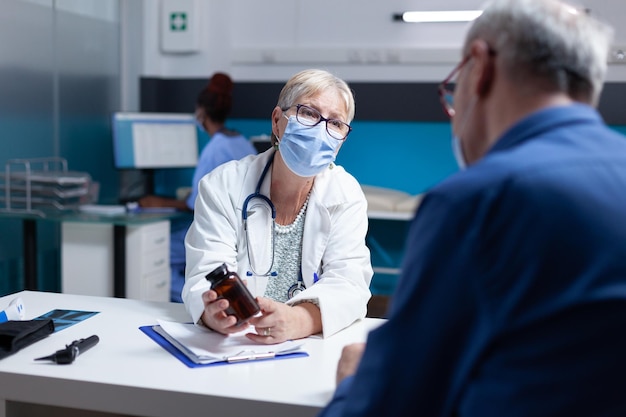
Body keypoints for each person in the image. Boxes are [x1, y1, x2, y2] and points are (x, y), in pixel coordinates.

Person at [320, 1, 626, 416]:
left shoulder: (478, 201)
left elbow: (394, 403)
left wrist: (353, 386)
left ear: (479, 66)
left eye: (454, 85)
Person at [182, 69, 372, 343]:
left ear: (343, 139)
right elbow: (206, 272)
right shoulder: (223, 184)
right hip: (235, 345)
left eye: (336, 124)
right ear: (276, 121)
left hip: (309, 348)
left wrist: (300, 320)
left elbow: (350, 283)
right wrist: (213, 314)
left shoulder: (346, 194)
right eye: (308, 113)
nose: (321, 130)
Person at [139, 72, 257, 302]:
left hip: (220, 228)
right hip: (243, 230)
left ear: (201, 113)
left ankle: (186, 301)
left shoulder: (215, 148)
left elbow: (195, 204)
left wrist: (159, 202)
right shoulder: (241, 141)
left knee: (156, 252)